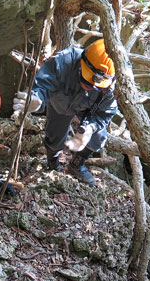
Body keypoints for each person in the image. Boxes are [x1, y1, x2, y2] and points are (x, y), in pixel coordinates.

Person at [13, 39, 117, 185]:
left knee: (98, 137)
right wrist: (36, 100)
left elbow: (105, 113)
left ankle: (77, 164)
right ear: (82, 61)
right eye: (85, 80)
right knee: (54, 138)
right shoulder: (64, 61)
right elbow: (42, 85)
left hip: (87, 108)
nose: (88, 86)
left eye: (94, 85)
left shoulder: (112, 84)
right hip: (60, 103)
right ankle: (53, 161)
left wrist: (90, 128)